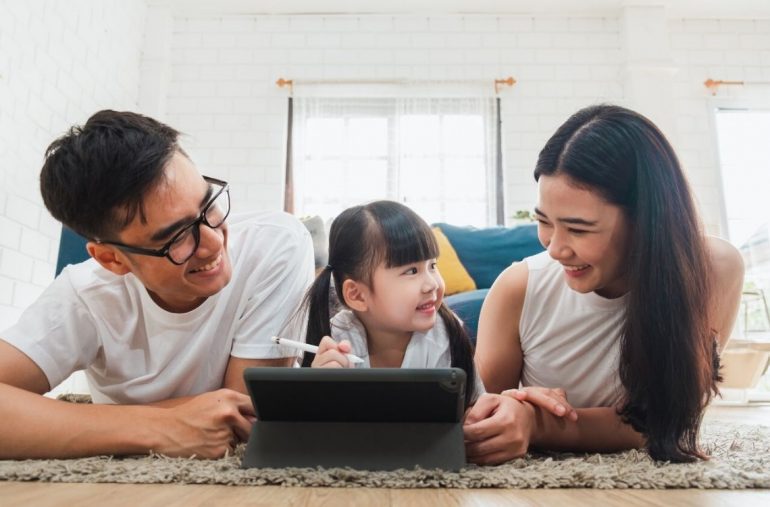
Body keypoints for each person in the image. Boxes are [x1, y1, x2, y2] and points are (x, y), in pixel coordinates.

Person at [0, 110, 315, 459]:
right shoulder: (86, 294)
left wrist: (76, 421)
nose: (213, 242)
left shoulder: (274, 246)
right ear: (112, 260)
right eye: (176, 236)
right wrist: (159, 428)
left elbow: (243, 412)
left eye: (208, 203)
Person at [464, 104, 744, 464]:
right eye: (544, 221)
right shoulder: (517, 287)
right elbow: (480, 414)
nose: (556, 248)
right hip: (481, 314)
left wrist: (537, 423)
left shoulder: (713, 270)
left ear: (646, 222)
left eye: (578, 229)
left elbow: (664, 416)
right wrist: (505, 414)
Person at [291, 200, 483, 406]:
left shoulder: (446, 334)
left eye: (433, 265)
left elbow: (472, 412)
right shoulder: (335, 342)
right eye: (411, 271)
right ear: (357, 295)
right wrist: (317, 391)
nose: (431, 284)